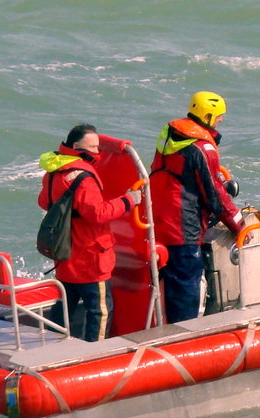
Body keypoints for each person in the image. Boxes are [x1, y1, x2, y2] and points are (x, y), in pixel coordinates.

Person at [149, 91, 244, 323]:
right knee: (186, 282)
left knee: (167, 277)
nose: (221, 120)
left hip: (157, 215)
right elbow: (215, 196)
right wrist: (238, 224)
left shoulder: (171, 132)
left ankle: (165, 325)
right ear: (209, 116)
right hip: (183, 225)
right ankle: (182, 334)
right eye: (219, 116)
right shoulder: (203, 148)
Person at [37, 123, 134, 341]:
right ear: (77, 147)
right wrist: (128, 200)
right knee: (100, 311)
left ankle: (51, 346)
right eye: (93, 148)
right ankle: (95, 354)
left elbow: (44, 202)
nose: (97, 153)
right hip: (91, 258)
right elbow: (97, 213)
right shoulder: (84, 178)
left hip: (66, 254)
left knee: (64, 307)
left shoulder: (53, 171)